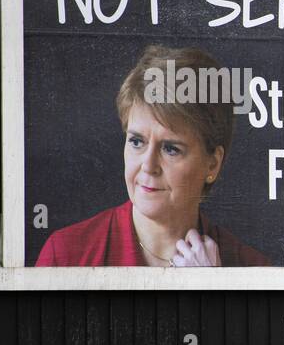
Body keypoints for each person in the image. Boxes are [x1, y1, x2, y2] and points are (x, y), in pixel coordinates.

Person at [35, 45, 269, 267]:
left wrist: (212, 292)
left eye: (171, 149)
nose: (148, 165)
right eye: (137, 142)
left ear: (213, 164)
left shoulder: (252, 269)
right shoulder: (66, 254)